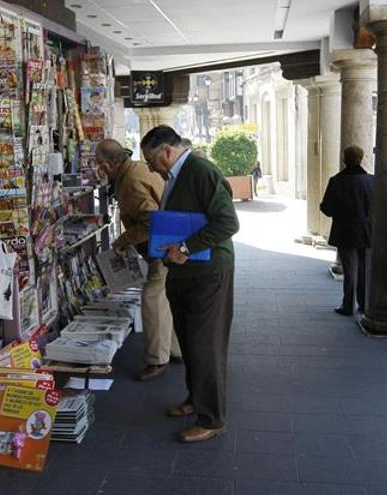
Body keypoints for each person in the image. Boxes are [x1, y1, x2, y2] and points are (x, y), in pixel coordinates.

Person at [140, 125, 239, 443]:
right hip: (184, 274)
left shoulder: (201, 170)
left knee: (205, 346)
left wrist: (184, 248)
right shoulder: (175, 176)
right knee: (189, 340)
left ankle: (212, 418)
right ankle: (195, 399)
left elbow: (228, 222)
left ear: (167, 151)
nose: (151, 167)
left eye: (152, 160)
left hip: (208, 273)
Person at [95, 139, 182, 381]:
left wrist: (123, 240)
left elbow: (149, 220)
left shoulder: (131, 181)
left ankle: (157, 360)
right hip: (166, 241)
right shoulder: (135, 170)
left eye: (99, 166)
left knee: (153, 298)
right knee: (165, 298)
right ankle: (175, 350)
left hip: (161, 245)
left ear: (106, 165)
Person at [319, 145, 375, 317]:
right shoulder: (371, 181)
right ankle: (364, 305)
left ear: (344, 159)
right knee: (364, 269)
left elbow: (326, 208)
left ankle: (348, 304)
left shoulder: (336, 181)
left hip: (344, 231)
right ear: (362, 159)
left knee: (349, 269)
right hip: (366, 230)